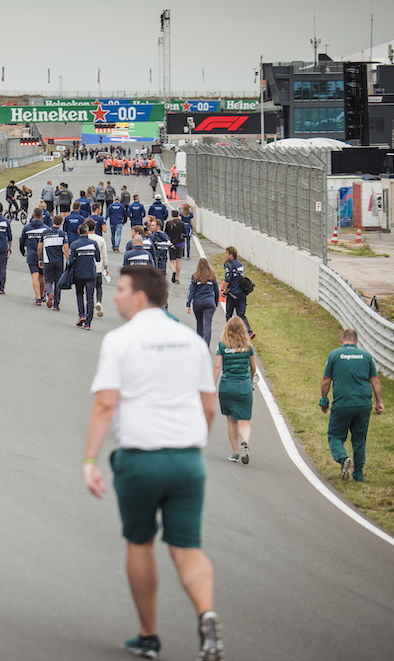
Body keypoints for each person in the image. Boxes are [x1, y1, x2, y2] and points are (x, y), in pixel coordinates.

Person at [82, 266, 223, 661]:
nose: (115, 296)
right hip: (187, 460)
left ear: (139, 297)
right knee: (187, 547)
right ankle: (207, 614)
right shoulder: (192, 341)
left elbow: (106, 403)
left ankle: (148, 635)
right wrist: (193, 441)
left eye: (121, 289)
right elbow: (207, 406)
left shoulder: (120, 340)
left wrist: (90, 458)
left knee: (140, 542)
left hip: (140, 458)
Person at [320, 328, 383, 482]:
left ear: (342, 340)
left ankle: (343, 458)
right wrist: (379, 402)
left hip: (343, 403)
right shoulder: (366, 356)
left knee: (335, 435)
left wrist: (324, 399)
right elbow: (374, 380)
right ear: (357, 341)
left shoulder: (334, 355)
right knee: (359, 439)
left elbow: (327, 380)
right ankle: (358, 474)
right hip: (363, 404)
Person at [215, 317, 257, 465]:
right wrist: (251, 380)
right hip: (243, 385)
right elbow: (253, 367)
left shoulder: (222, 345)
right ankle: (245, 441)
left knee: (231, 421)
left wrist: (212, 386)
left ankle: (235, 453)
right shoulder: (248, 346)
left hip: (227, 385)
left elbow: (217, 366)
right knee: (244, 422)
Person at [68, 222, 101, 330]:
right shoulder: (93, 243)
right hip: (91, 273)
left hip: (79, 273)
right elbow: (98, 258)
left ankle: (81, 315)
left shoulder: (74, 244)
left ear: (78, 232)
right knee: (90, 298)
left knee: (79, 294)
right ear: (87, 231)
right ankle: (88, 322)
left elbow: (70, 261)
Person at [185, 258, 222, 348]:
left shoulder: (195, 276)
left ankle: (199, 346)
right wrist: (216, 304)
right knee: (208, 324)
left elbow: (191, 291)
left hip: (198, 302)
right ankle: (206, 346)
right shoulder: (212, 276)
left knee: (199, 323)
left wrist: (188, 304)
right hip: (210, 303)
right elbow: (217, 291)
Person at [220, 246, 253, 339]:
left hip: (232, 293)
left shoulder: (228, 265)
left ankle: (229, 333)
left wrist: (222, 290)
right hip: (242, 293)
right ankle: (249, 331)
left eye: (226, 253)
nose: (225, 255)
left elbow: (227, 279)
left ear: (231, 254)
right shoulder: (240, 264)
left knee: (229, 314)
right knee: (241, 314)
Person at [38, 215, 68, 311]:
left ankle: (49, 293)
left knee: (48, 280)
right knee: (58, 282)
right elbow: (66, 249)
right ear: (61, 223)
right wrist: (68, 261)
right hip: (59, 261)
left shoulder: (45, 233)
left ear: (52, 222)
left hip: (47, 261)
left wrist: (40, 258)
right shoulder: (63, 234)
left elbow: (39, 248)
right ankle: (56, 304)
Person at [20, 206, 49, 306]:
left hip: (32, 254)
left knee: (34, 276)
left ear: (33, 215)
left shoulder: (27, 227)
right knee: (42, 276)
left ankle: (38, 298)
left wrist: (22, 251)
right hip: (43, 256)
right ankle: (42, 295)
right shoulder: (45, 229)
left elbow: (22, 241)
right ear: (42, 217)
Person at [165, 210, 188, 284]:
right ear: (178, 215)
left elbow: (166, 234)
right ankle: (177, 277)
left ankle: (173, 271)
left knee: (172, 261)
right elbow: (185, 234)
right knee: (178, 260)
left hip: (172, 244)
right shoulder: (182, 223)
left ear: (172, 215)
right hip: (180, 244)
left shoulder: (168, 223)